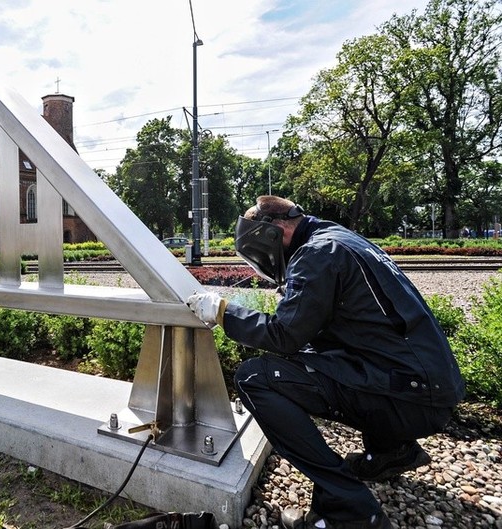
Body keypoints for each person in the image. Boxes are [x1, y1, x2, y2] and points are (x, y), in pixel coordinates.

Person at [186, 196, 465, 529]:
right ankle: (391, 452)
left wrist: (223, 311)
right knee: (320, 357)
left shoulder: (316, 253)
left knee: (255, 377)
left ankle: (347, 511)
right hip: (427, 389)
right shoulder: (337, 239)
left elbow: (283, 336)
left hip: (409, 399)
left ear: (274, 231)